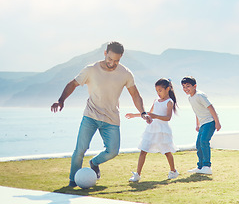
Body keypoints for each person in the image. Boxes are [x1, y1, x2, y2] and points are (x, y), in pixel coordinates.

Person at [51, 42, 152, 187]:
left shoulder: (125, 73)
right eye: (110, 59)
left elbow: (135, 94)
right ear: (105, 53)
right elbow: (72, 84)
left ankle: (94, 162)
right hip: (90, 116)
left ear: (121, 57)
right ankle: (73, 181)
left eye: (117, 60)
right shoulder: (91, 70)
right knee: (80, 149)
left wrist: (143, 112)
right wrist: (61, 100)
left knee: (113, 151)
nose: (113, 63)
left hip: (111, 118)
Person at [126, 78, 180, 181]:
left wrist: (156, 116)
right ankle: (137, 174)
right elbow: (149, 114)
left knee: (167, 152)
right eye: (156, 91)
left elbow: (168, 118)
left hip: (162, 130)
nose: (158, 93)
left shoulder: (169, 102)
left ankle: (173, 171)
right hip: (151, 129)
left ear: (167, 89)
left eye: (160, 90)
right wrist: (135, 115)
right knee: (143, 150)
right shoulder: (156, 101)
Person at [181, 76, 221, 175]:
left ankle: (207, 167)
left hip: (210, 121)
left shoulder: (200, 95)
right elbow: (196, 111)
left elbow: (211, 107)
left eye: (188, 86)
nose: (186, 89)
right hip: (203, 123)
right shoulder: (190, 98)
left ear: (195, 86)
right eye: (184, 87)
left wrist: (217, 122)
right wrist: (197, 124)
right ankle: (200, 167)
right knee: (198, 144)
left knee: (204, 141)